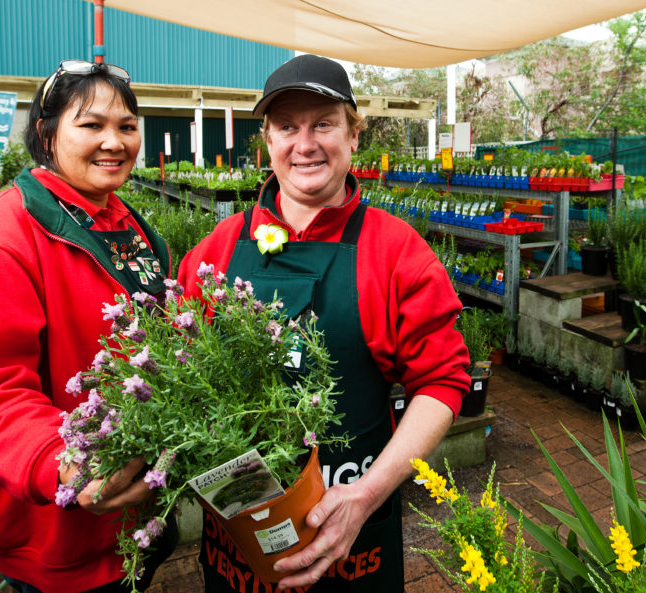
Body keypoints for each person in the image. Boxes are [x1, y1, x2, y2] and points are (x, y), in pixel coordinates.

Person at [177, 54, 470, 592]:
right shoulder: (218, 249)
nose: (305, 144)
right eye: (287, 126)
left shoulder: (394, 250)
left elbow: (443, 381)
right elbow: (182, 372)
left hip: (351, 533)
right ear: (267, 141)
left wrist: (368, 494)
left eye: (324, 125)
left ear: (354, 137)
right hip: (237, 547)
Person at [0, 60, 178, 593]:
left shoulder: (130, 227)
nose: (114, 142)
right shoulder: (4, 234)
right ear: (46, 134)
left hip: (133, 520)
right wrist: (63, 461)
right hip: (58, 530)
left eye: (127, 126)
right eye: (91, 125)